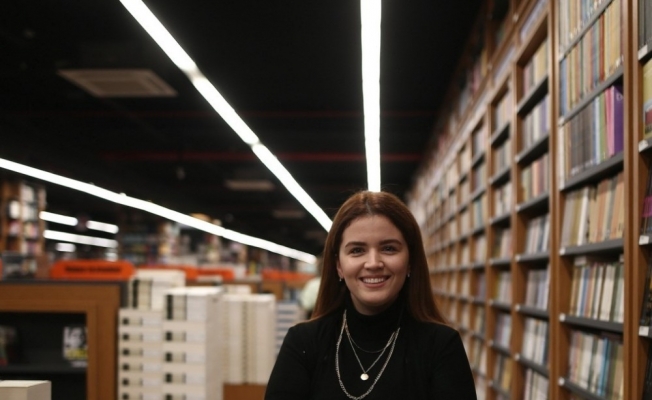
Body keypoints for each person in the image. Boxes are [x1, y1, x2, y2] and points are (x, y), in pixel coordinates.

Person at [265, 191, 477, 399]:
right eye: (357, 250)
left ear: (410, 261)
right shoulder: (302, 342)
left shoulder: (442, 346)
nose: (373, 263)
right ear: (339, 266)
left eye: (389, 248)